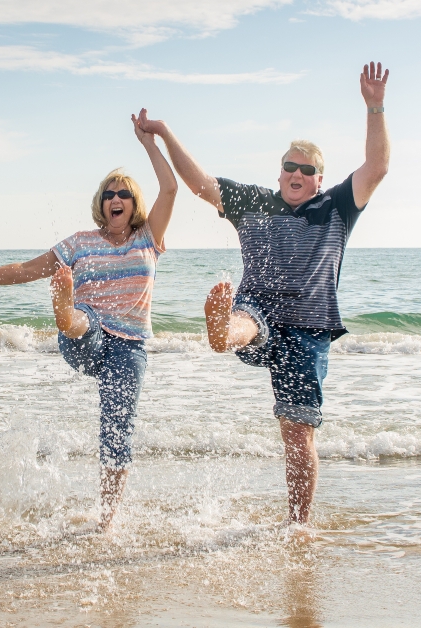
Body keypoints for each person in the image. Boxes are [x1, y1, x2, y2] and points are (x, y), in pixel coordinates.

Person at [138, 62, 391, 525]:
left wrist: (374, 107)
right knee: (249, 319)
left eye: (306, 169)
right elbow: (199, 185)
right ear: (279, 174)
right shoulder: (254, 202)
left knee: (297, 434)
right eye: (288, 166)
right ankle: (222, 331)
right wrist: (164, 134)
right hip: (258, 309)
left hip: (309, 330)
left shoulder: (336, 207)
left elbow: (376, 168)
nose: (295, 173)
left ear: (318, 178)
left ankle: (298, 525)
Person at [0, 109, 177, 532]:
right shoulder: (78, 242)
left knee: (118, 430)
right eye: (108, 194)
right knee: (83, 323)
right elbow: (25, 269)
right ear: (100, 204)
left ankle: (107, 520)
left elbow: (171, 187)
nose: (115, 199)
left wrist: (151, 141)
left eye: (124, 194)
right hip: (88, 334)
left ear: (135, 204)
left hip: (130, 348)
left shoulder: (148, 238)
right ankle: (65, 313)